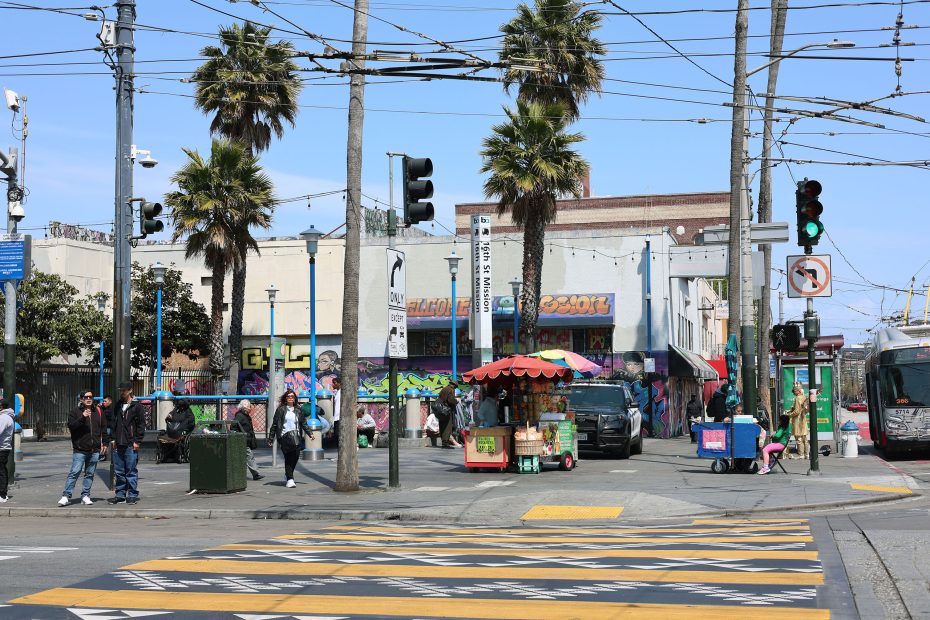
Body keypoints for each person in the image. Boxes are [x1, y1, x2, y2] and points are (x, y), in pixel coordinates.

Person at [59, 390, 107, 507]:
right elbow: (72, 426)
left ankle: (85, 495)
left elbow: (104, 428)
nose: (89, 399)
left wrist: (104, 443)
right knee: (74, 472)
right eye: (86, 397)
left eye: (91, 397)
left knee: (89, 474)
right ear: (81, 399)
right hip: (80, 449)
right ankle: (66, 496)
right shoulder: (75, 412)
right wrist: (83, 417)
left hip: (94, 449)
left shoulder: (98, 411)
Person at [108, 383, 145, 505]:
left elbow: (141, 425)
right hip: (118, 443)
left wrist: (137, 441)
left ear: (130, 391)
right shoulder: (118, 405)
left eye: (124, 390)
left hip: (130, 443)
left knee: (131, 470)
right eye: (120, 390)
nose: (122, 392)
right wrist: (113, 438)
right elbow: (113, 422)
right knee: (119, 471)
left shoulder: (136, 406)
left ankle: (132, 494)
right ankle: (120, 495)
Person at [269, 389, 304, 488]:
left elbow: (303, 423)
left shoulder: (298, 409)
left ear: (295, 398)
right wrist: (271, 439)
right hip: (284, 437)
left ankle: (288, 474)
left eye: (292, 396)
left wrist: (310, 434)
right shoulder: (281, 410)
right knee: (288, 458)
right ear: (285, 398)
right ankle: (290, 479)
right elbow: (275, 425)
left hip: (296, 437)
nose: (290, 398)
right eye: (288, 396)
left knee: (296, 457)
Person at [235, 399, 264, 481]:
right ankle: (255, 474)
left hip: (245, 439)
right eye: (248, 406)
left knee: (244, 457)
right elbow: (234, 427)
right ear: (243, 407)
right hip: (243, 440)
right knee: (249, 456)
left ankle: (251, 474)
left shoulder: (245, 415)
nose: (249, 407)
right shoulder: (240, 416)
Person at [786, 382, 810, 459]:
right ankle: (807, 454)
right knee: (804, 438)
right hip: (803, 419)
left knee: (799, 438)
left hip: (797, 420)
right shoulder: (804, 397)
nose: (793, 392)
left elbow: (796, 411)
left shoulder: (797, 398)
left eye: (794, 390)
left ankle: (801, 454)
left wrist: (788, 414)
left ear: (798, 391)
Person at [435, 379, 459, 448]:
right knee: (447, 426)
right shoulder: (451, 390)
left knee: (442, 425)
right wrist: (456, 401)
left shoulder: (444, 388)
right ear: (454, 385)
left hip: (440, 410)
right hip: (446, 410)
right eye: (456, 386)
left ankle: (443, 441)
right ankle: (445, 442)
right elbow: (450, 400)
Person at [0, 398, 13, 503]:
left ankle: (2, 495)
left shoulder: (4, 417)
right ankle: (3, 494)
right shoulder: (6, 417)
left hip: (1, 448)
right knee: (2, 470)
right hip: (4, 448)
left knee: (1, 471)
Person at [98, 395, 114, 462]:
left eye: (105, 401)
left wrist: (99, 407)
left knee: (105, 437)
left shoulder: (110, 410)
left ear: (110, 402)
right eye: (103, 401)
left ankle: (103, 454)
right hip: (103, 427)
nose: (103, 402)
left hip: (108, 428)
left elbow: (104, 414)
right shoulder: (103, 408)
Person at [330, 377, 342, 447]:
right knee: (337, 436)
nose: (333, 385)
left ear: (339, 383)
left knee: (338, 436)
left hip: (339, 417)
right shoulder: (337, 392)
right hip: (336, 417)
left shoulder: (341, 392)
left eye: (334, 383)